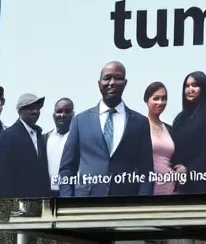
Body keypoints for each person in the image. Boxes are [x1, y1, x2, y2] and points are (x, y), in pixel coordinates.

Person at [58, 61, 155, 198]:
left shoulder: (140, 122)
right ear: (99, 83)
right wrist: (67, 203)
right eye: (107, 78)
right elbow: (67, 168)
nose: (112, 82)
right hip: (86, 203)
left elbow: (147, 171)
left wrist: (143, 203)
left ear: (125, 83)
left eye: (118, 78)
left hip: (126, 203)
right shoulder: (81, 121)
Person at [169, 71, 206, 194]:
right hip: (179, 184)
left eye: (195, 85)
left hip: (202, 184)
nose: (190, 89)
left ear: (203, 88)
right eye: (187, 86)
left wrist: (188, 170)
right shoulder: (180, 118)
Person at [0, 93, 51, 198]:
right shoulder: (8, 136)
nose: (35, 111)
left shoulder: (39, 136)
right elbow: (1, 175)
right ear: (20, 111)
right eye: (30, 108)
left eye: (38, 108)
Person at [140, 81, 176, 195]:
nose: (160, 102)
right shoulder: (139, 126)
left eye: (164, 98)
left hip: (171, 189)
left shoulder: (170, 129)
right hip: (149, 189)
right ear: (147, 100)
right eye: (156, 98)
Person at [43, 97, 75, 193]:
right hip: (47, 194)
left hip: (70, 194)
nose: (62, 115)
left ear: (73, 115)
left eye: (67, 111)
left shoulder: (79, 139)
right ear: (53, 115)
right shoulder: (43, 139)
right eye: (59, 111)